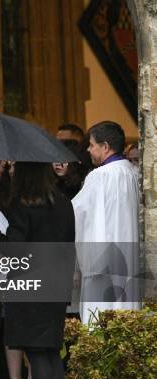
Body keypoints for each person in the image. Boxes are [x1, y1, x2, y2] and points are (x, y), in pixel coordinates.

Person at [0, 161, 76, 379]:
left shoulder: (24, 205)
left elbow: (14, 250)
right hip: (56, 285)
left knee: (37, 354)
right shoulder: (63, 202)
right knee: (50, 352)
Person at [72, 121, 141, 324]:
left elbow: (76, 213)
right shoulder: (134, 173)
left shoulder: (99, 176)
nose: (88, 149)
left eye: (92, 145)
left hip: (103, 264)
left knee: (101, 320)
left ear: (105, 146)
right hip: (130, 260)